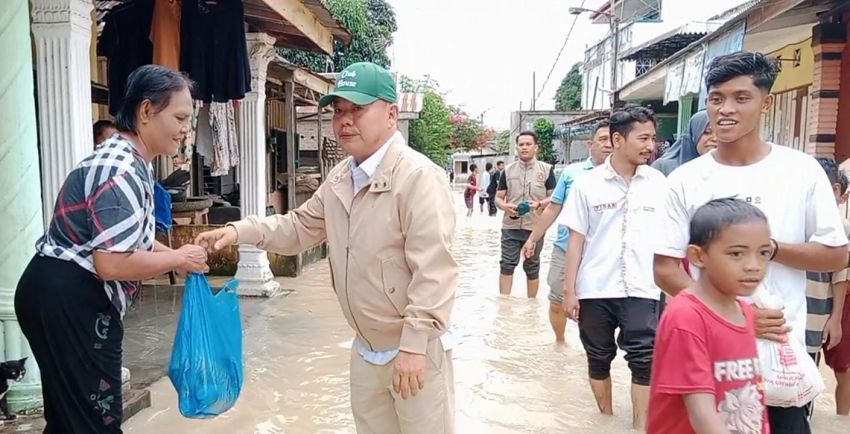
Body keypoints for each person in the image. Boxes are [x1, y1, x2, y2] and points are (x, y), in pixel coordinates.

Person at [195, 62, 458, 434]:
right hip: (366, 351)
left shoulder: (418, 178)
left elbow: (435, 271)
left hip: (414, 352)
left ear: (392, 115)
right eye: (339, 111)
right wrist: (241, 230)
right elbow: (298, 227)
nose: (345, 121)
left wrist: (415, 347)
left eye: (358, 110)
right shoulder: (340, 179)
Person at [653, 51, 849, 434]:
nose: (725, 109)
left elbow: (836, 253)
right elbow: (664, 268)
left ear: (766, 102)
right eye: (716, 98)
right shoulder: (684, 180)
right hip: (709, 357)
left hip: (782, 354)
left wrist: (770, 248)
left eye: (741, 98)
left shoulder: (801, 171)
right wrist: (736, 316)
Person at [15, 65, 209, 433]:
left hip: (58, 293)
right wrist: (177, 257)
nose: (185, 129)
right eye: (180, 117)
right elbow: (112, 263)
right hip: (71, 298)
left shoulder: (125, 161)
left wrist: (174, 258)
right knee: (94, 423)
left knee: (70, 420)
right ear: (147, 111)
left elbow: (124, 238)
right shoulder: (119, 169)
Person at [560, 105, 666, 430]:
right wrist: (569, 291)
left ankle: (639, 426)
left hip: (643, 288)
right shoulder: (587, 185)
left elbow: (668, 240)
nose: (651, 145)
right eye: (643, 138)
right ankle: (604, 420)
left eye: (653, 138)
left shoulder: (660, 183)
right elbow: (575, 242)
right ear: (618, 139)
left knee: (645, 360)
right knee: (598, 357)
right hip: (595, 289)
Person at [648, 198, 770, 434]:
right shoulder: (686, 318)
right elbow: (701, 414)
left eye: (763, 253)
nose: (754, 265)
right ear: (698, 256)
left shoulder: (743, 310)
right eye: (736, 254)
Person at [521, 120, 612, 343]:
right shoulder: (573, 173)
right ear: (590, 144)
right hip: (565, 248)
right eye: (602, 140)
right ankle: (560, 341)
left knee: (597, 307)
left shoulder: (626, 176)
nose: (608, 145)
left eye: (613, 140)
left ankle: (592, 352)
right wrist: (533, 238)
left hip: (603, 253)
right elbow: (553, 207)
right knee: (557, 300)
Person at [495, 132, 556, 297]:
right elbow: (498, 198)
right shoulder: (507, 171)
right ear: (517, 148)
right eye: (521, 144)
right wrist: (504, 206)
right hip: (510, 226)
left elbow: (554, 199)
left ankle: (532, 305)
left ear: (536, 147)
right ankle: (504, 304)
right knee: (506, 265)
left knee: (532, 266)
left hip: (535, 227)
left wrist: (538, 204)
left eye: (528, 144)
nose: (524, 147)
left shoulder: (547, 170)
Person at [817, 158, 850, 416]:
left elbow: (840, 273)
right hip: (806, 309)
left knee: (843, 368)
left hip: (827, 310)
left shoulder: (840, 227)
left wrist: (836, 318)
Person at [651, 110, 717, 176]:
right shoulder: (663, 167)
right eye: (707, 132)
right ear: (693, 134)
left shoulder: (723, 169)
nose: (715, 139)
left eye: (720, 133)